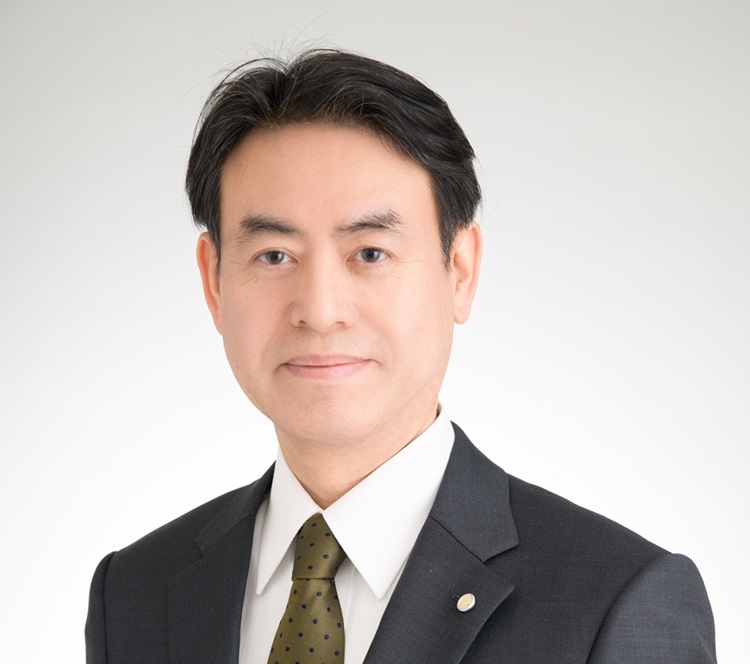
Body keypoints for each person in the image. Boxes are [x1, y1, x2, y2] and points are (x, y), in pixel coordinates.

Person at [85, 49, 716, 664]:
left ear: (460, 269)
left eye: (370, 253)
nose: (320, 310)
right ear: (214, 282)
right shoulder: (134, 592)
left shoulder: (617, 603)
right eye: (274, 256)